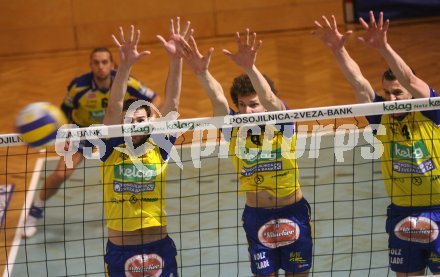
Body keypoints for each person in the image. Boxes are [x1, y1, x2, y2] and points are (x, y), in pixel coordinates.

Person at [314, 11, 440, 276]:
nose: (392, 100)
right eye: (387, 93)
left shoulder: (431, 110)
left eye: (399, 93)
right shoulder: (381, 117)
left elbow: (412, 80)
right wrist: (338, 51)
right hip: (402, 211)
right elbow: (359, 83)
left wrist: (383, 46)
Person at [178, 29, 312, 276]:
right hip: (257, 216)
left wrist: (251, 68)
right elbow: (218, 100)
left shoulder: (282, 123)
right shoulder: (234, 129)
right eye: (242, 105)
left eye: (254, 104)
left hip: (293, 212)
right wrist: (201, 72)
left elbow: (271, 98)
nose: (248, 111)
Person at [22, 47, 161, 238]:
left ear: (112, 64)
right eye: (96, 62)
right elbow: (64, 112)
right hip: (83, 132)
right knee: (62, 173)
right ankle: (34, 211)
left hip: (114, 132)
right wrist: (65, 135)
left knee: (130, 171)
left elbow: (155, 98)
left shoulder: (127, 82)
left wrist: (149, 120)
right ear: (91, 66)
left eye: (105, 62)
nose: (101, 66)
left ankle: (134, 211)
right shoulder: (78, 87)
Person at [100, 18, 190, 276]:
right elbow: (114, 107)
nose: (136, 125)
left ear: (150, 122)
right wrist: (125, 66)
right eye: (131, 121)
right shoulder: (111, 148)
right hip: (121, 252)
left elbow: (172, 102)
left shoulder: (157, 145)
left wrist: (176, 60)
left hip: (158, 247)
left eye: (142, 120)